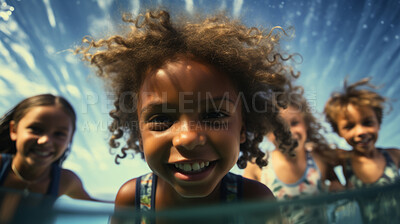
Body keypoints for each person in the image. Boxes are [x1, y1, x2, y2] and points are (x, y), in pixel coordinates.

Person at [76, 9, 298, 219]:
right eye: (161, 119)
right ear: (139, 134)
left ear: (243, 128)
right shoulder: (132, 200)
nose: (188, 138)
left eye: (214, 115)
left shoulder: (254, 201)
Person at [244, 88, 342, 223]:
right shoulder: (257, 165)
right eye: (279, 127)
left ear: (306, 124)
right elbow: (243, 207)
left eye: (295, 123)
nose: (288, 132)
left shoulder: (319, 158)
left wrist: (336, 184)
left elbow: (337, 176)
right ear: (267, 133)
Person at [324, 77, 400, 222]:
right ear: (339, 131)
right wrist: (333, 179)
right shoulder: (344, 158)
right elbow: (317, 157)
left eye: (367, 122)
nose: (360, 131)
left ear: (378, 123)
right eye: (349, 126)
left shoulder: (394, 155)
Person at [0, 94, 93, 200]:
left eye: (59, 134)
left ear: (70, 139)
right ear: (14, 130)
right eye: (36, 129)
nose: (46, 140)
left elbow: (100, 208)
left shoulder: (66, 181)